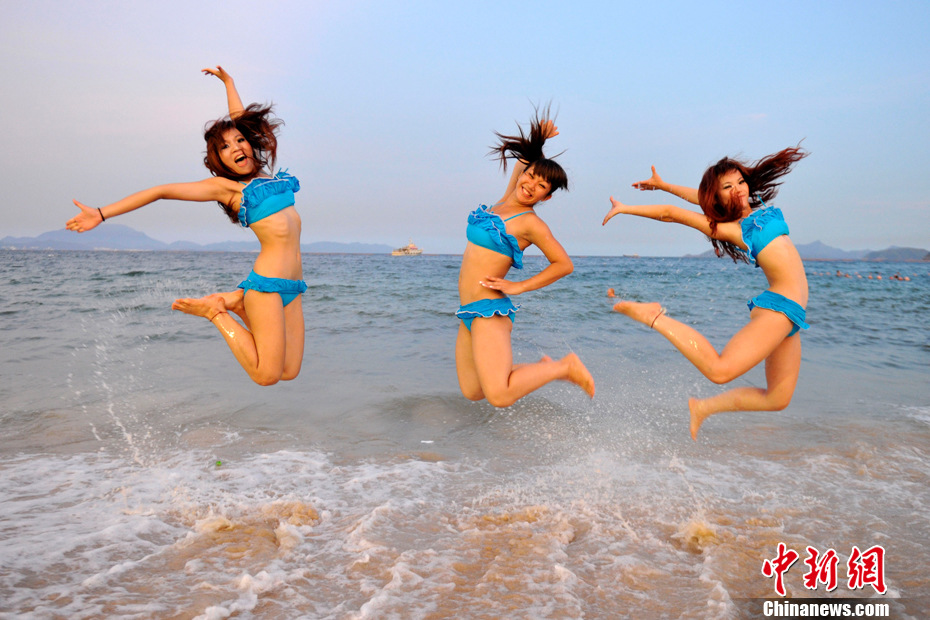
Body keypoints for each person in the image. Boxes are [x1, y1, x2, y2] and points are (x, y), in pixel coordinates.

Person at [66, 66, 305, 386]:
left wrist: (229, 83)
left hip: (293, 284)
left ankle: (237, 302)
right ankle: (217, 311)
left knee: (289, 372)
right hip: (267, 285)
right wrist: (101, 212)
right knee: (265, 375)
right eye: (225, 147)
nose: (236, 147)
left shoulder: (268, 178)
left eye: (240, 141)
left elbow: (241, 120)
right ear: (219, 160)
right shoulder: (228, 189)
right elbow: (161, 191)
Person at [602, 147, 809, 439]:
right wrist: (626, 208)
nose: (737, 189)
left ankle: (703, 407)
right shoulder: (733, 230)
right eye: (727, 187)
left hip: (793, 314)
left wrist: (663, 185)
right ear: (718, 198)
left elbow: (696, 197)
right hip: (780, 307)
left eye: (740, 182)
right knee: (719, 371)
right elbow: (671, 214)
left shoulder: (760, 208)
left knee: (777, 398)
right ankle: (653, 316)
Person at [455, 111, 595, 407]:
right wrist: (539, 140)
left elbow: (563, 264)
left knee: (500, 395)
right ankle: (546, 368)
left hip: (489, 311)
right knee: (473, 391)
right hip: (468, 309)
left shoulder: (530, 223)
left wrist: (519, 287)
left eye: (541, 186)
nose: (530, 184)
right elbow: (523, 162)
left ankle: (564, 366)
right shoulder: (503, 202)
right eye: (531, 176)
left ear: (547, 197)